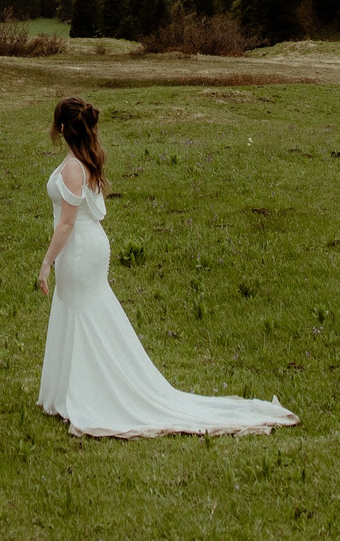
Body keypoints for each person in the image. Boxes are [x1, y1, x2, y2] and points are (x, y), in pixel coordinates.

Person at [36, 96, 296, 439]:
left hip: (80, 249)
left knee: (86, 313)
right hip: (82, 248)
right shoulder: (79, 160)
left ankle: (95, 392)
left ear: (62, 128)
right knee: (77, 310)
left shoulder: (73, 167)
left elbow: (67, 223)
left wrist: (46, 262)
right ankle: (73, 389)